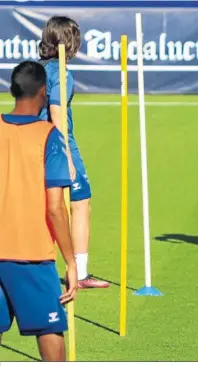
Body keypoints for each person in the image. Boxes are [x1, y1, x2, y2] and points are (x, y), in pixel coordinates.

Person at [0, 61, 78, 361]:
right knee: (50, 333)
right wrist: (71, 262)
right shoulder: (49, 136)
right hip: (31, 255)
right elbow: (56, 208)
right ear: (43, 92)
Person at [38, 16, 109, 288]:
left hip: (35, 142)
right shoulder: (61, 71)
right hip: (58, 143)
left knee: (45, 205)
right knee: (80, 201)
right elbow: (56, 110)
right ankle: (79, 273)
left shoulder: (36, 68)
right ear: (70, 42)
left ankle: (41, 270)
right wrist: (65, 155)